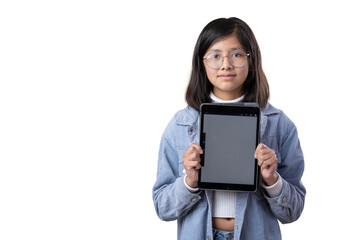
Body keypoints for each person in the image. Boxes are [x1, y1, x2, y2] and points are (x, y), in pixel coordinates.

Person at [152, 17, 306, 240]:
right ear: (202, 62)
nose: (226, 64)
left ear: (251, 60)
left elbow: (293, 211)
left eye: (236, 54)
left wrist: (272, 181)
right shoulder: (179, 125)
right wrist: (189, 182)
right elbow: (162, 208)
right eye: (215, 55)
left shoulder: (280, 125)